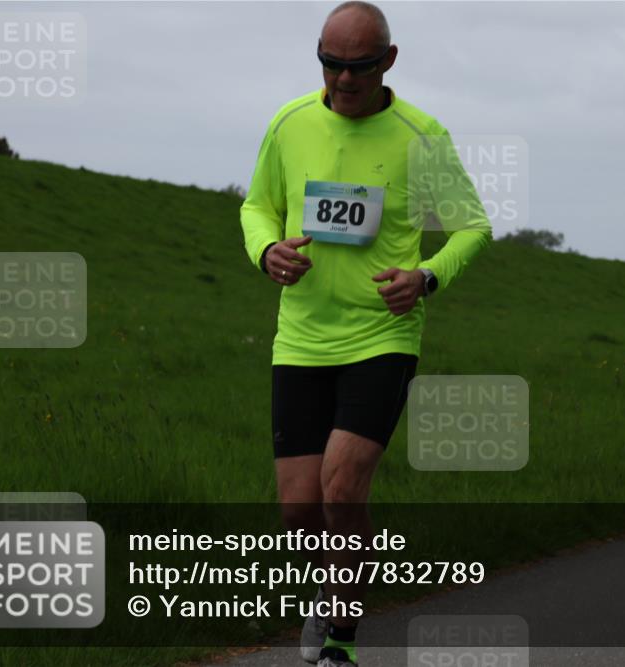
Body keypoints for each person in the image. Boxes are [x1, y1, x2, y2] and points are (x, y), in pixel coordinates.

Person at [239, 3, 491, 666]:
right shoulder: (291, 123)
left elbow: (472, 225)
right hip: (300, 338)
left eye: (359, 66)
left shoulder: (420, 133)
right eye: (330, 63)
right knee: (298, 512)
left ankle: (343, 639)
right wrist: (266, 250)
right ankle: (331, 592)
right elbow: (256, 204)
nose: (343, 79)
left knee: (342, 486)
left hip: (383, 335)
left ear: (390, 60)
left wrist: (427, 277)